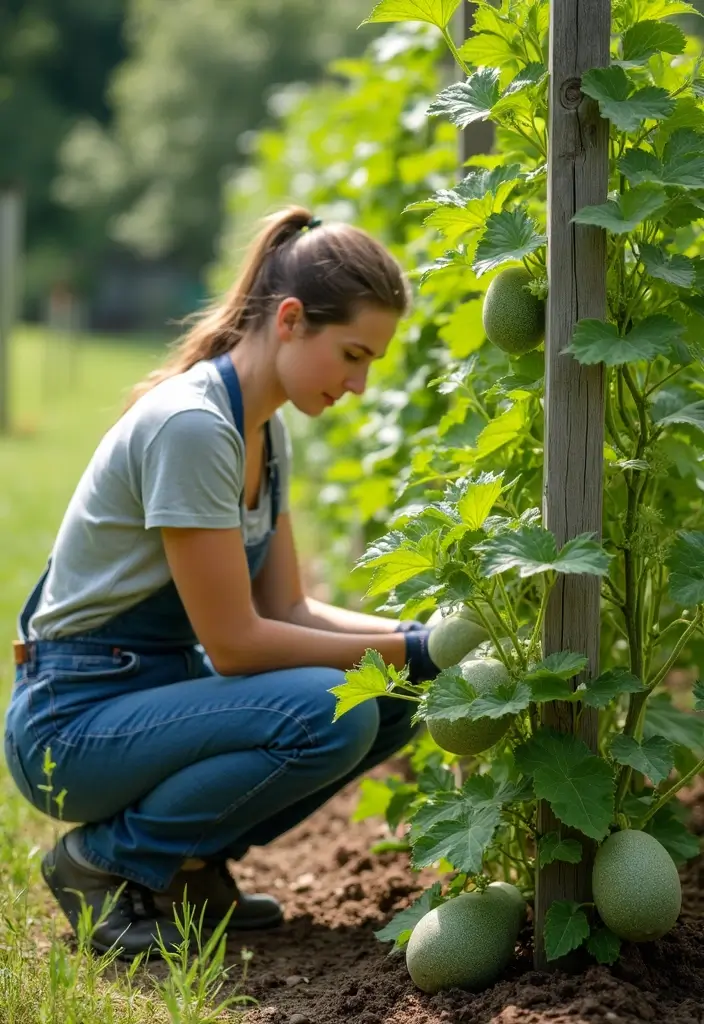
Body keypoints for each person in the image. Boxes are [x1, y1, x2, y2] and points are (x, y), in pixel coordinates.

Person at [3, 207, 440, 961]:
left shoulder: (263, 434)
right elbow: (237, 645)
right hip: (70, 723)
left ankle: (189, 873)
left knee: (389, 695)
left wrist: (414, 643)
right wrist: (417, 651)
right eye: (353, 355)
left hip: (146, 694)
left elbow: (287, 608)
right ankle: (104, 863)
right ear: (293, 319)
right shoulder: (195, 427)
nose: (361, 385)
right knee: (334, 712)